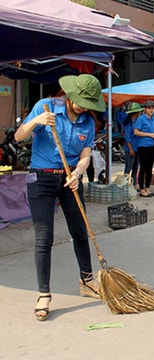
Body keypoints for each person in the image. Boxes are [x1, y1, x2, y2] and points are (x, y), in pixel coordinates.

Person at [14, 74, 106, 321]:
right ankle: (44, 294)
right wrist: (36, 121)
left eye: (88, 103)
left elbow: (85, 155)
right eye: (80, 102)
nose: (83, 107)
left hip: (70, 180)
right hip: (41, 179)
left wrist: (77, 173)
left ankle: (87, 281)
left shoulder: (88, 122)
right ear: (70, 96)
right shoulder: (46, 107)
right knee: (44, 237)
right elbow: (18, 136)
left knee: (80, 230)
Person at [134, 100, 154, 197]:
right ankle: (141, 189)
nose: (151, 110)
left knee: (149, 168)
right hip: (143, 146)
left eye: (153, 108)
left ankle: (147, 188)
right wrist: (149, 135)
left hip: (152, 146)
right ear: (145, 109)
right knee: (143, 168)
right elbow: (136, 132)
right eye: (149, 108)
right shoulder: (141, 119)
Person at [123, 102, 143, 186]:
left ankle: (134, 185)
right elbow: (127, 137)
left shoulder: (137, 121)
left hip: (137, 147)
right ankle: (124, 185)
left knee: (135, 168)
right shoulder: (128, 123)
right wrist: (130, 149)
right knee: (128, 168)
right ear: (136, 112)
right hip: (130, 149)